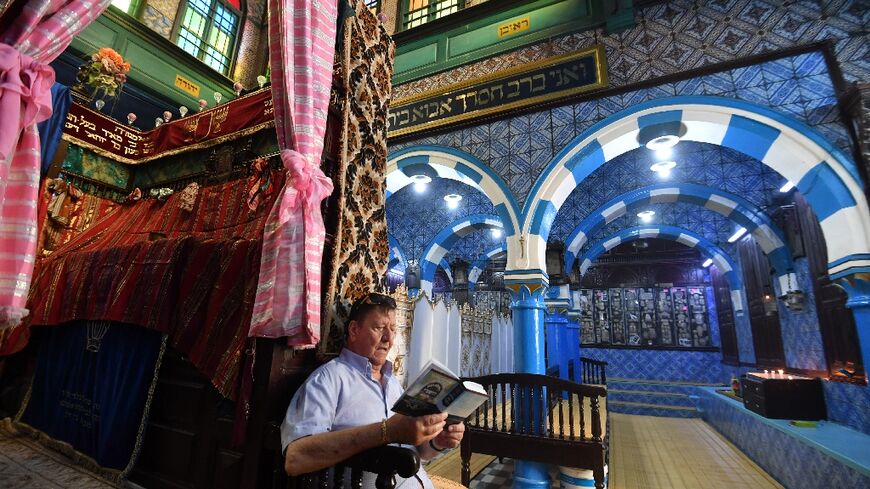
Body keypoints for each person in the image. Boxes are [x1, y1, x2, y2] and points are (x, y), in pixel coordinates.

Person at [281, 292, 465, 487]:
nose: (388, 339)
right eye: (379, 328)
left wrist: (438, 442)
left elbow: (415, 454)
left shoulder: (392, 382)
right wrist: (387, 431)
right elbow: (295, 459)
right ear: (354, 330)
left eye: (393, 329)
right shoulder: (328, 379)